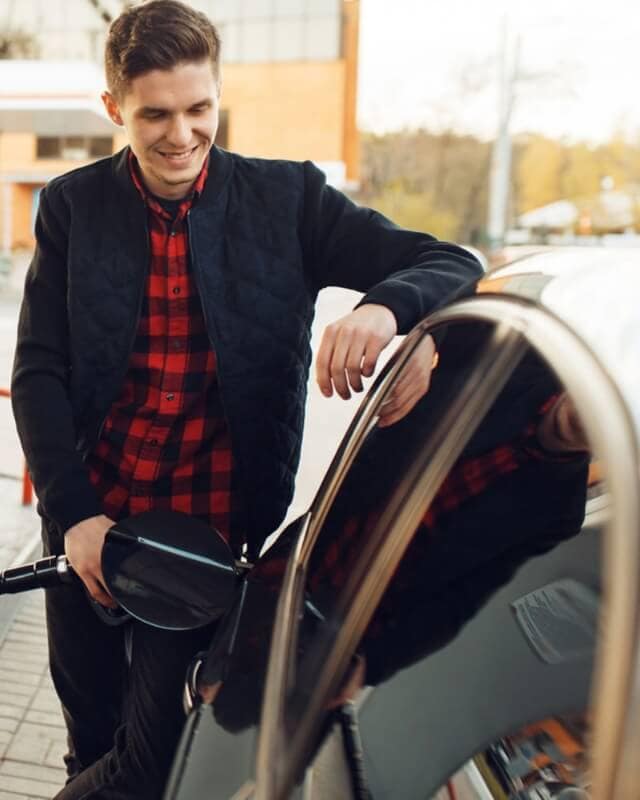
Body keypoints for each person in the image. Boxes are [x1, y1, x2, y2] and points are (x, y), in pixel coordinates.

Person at [11, 1, 481, 797]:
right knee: (88, 735)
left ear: (218, 96)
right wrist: (77, 514)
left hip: (205, 542)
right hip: (93, 525)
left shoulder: (289, 199)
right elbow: (38, 374)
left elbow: (449, 259)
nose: (181, 134)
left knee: (151, 762)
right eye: (154, 114)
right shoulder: (70, 205)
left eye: (200, 109)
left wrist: (390, 310)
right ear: (113, 108)